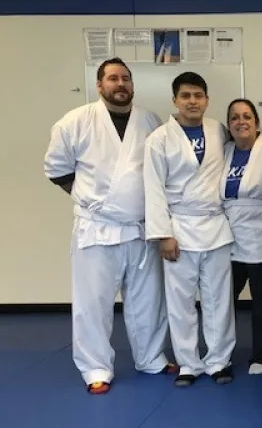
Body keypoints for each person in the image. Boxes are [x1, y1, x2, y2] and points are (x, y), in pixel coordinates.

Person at [43, 57, 175, 394]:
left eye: (126, 79)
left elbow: (159, 171)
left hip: (140, 227)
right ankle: (96, 367)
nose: (120, 84)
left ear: (133, 85)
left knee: (148, 300)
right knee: (93, 304)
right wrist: (91, 199)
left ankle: (151, 358)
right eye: (113, 78)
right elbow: (56, 169)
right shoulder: (75, 121)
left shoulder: (150, 120)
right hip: (97, 227)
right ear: (100, 85)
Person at [143, 71, 236, 387]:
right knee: (181, 301)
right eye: (186, 96)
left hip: (215, 226)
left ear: (207, 100)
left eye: (198, 95)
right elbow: (153, 188)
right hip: (179, 227)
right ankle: (188, 363)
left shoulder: (218, 130)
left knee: (218, 299)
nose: (192, 101)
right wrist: (163, 234)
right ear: (175, 101)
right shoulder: (159, 139)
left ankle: (219, 360)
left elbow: (250, 142)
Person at [221, 98, 262, 375]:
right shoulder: (224, 151)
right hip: (229, 236)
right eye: (234, 117)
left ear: (257, 123)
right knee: (222, 299)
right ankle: (221, 352)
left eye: (247, 116)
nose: (240, 121)